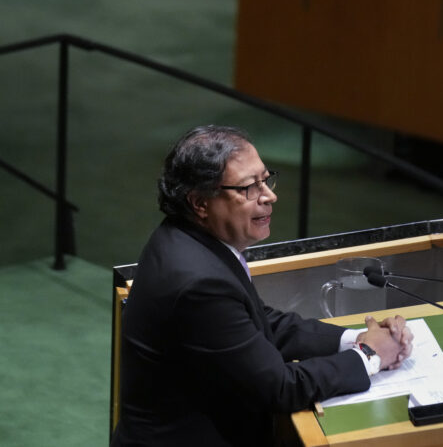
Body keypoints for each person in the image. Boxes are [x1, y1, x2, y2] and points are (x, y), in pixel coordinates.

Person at [112, 126, 413, 446]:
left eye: (266, 180)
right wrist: (369, 355)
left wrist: (352, 338)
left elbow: (256, 324)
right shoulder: (198, 282)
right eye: (249, 188)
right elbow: (280, 389)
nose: (269, 196)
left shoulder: (186, 239)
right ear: (200, 203)